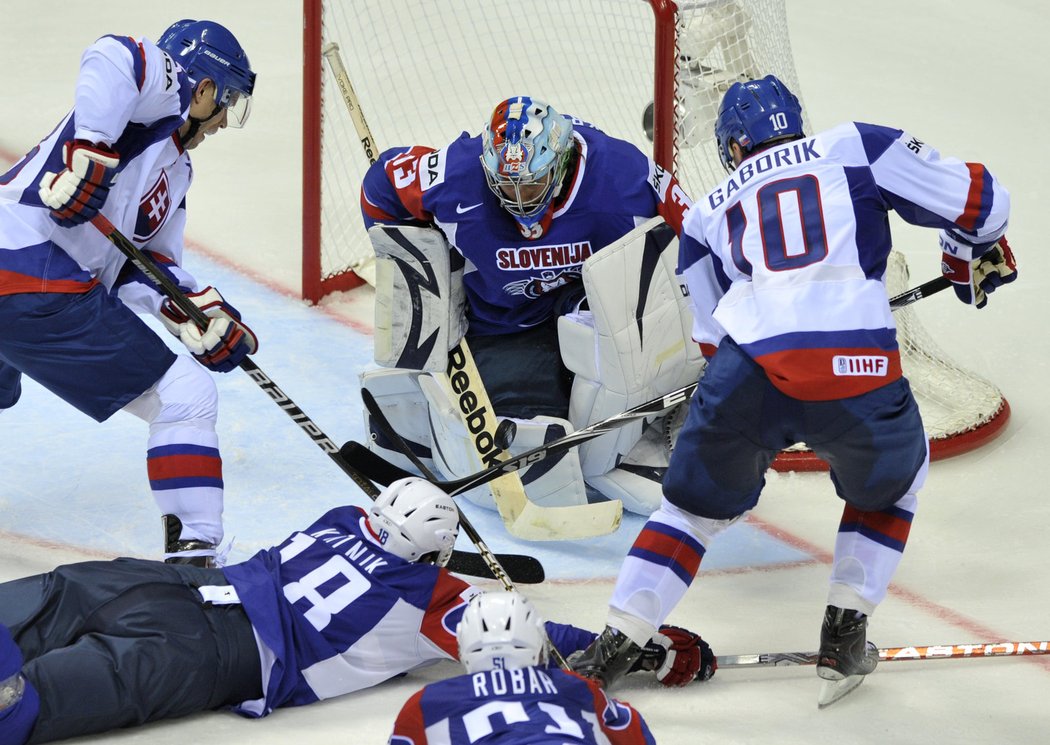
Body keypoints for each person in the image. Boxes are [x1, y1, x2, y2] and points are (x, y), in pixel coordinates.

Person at [569, 75, 1015, 707]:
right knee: (891, 489)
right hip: (856, 365)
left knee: (692, 513)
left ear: (730, 146)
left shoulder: (704, 211)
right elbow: (984, 202)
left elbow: (709, 337)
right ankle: (844, 635)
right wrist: (968, 249)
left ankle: (611, 649)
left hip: (747, 371)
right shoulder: (856, 145)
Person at [0, 477, 715, 744]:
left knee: (37, 603)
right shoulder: (431, 597)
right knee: (27, 705)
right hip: (212, 655)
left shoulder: (342, 515)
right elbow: (532, 638)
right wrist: (648, 648)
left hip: (163, 586)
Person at [359, 95, 700, 515]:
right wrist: (416, 267)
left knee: (617, 340)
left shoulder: (622, 175)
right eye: (506, 185)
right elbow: (379, 188)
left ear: (559, 165)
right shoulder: (454, 174)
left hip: (583, 306)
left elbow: (698, 235)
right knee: (521, 433)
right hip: (502, 324)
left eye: (533, 184)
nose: (519, 199)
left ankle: (667, 408)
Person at [0, 20, 259, 566]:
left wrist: (196, 312)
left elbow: (148, 263)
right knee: (184, 397)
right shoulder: (162, 98)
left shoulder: (178, 172)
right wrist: (90, 149)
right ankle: (197, 558)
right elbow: (113, 52)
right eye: (227, 99)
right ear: (206, 87)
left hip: (24, 279)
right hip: (30, 269)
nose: (221, 120)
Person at [389, 591, 664, 744]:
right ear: (538, 642)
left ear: (464, 646)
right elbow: (633, 729)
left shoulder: (427, 703)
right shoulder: (577, 688)